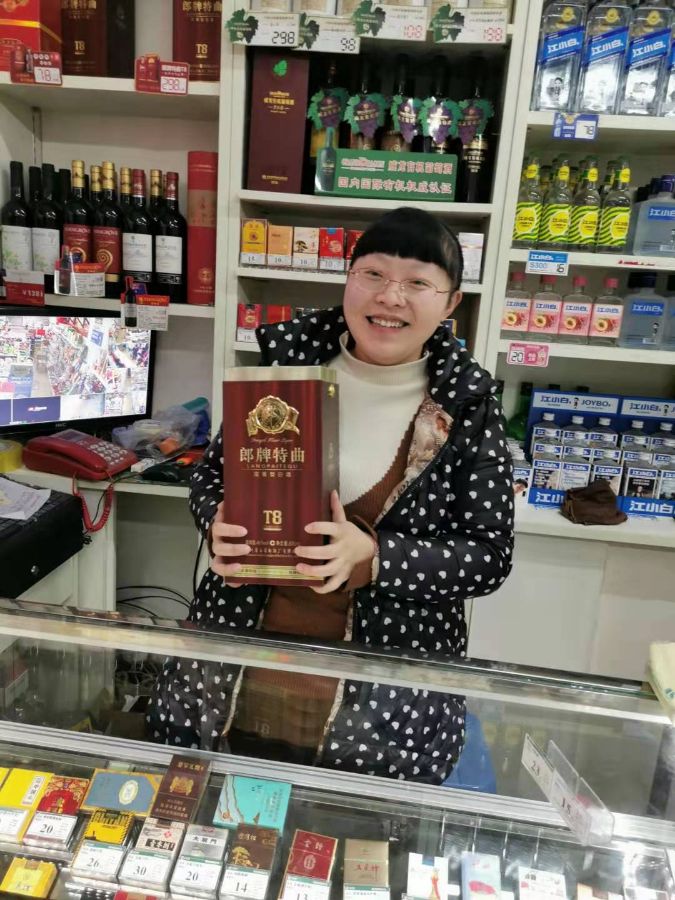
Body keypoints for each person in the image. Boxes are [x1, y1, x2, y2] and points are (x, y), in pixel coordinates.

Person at [147, 207, 514, 784]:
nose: (390, 296)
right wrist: (216, 521)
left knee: (345, 827)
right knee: (219, 814)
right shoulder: (288, 369)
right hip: (238, 667)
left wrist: (376, 558)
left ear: (450, 303)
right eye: (373, 273)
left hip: (380, 704)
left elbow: (489, 555)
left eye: (418, 282)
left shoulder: (466, 408)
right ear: (348, 280)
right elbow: (212, 476)